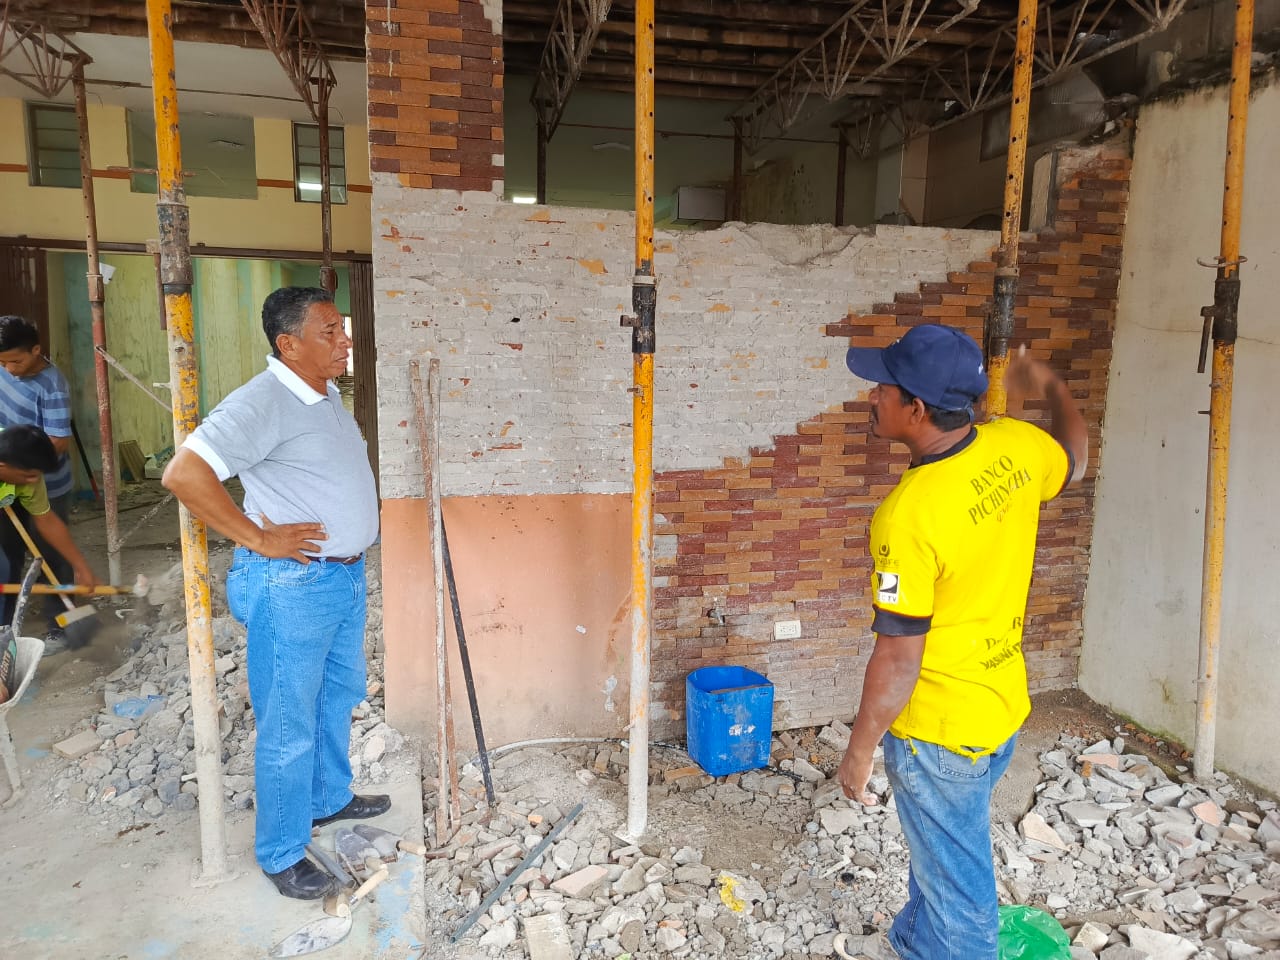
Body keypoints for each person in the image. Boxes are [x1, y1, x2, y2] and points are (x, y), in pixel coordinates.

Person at [834, 325, 1087, 960]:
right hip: (1000, 708)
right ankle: (915, 942)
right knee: (941, 853)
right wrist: (1054, 388)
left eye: (883, 388)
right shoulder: (1017, 444)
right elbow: (1075, 459)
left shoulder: (908, 516)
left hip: (939, 733)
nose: (872, 397)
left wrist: (859, 751)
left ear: (916, 409)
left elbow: (899, 655)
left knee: (964, 903)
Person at [162, 287, 386, 901]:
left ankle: (328, 797)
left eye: (342, 329)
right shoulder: (262, 401)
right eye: (330, 332)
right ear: (288, 344)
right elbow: (184, 474)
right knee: (288, 722)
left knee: (336, 696)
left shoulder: (325, 394)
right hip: (293, 585)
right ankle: (282, 852)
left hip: (340, 577)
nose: (345, 341)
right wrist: (258, 537)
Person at [0, 316, 76, 625]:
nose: (9, 369)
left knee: (52, 554)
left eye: (15, 362)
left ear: (35, 350)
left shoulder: (52, 386)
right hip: (8, 479)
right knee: (8, 555)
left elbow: (58, 441)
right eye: (2, 363)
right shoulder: (4, 367)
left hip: (44, 481)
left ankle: (63, 622)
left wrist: (21, 469)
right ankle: (6, 624)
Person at [0, 425, 97, 622]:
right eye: (28, 476)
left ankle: (4, 631)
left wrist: (81, 567)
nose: (33, 481)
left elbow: (47, 521)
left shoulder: (26, 472)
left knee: (4, 569)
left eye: (37, 475)